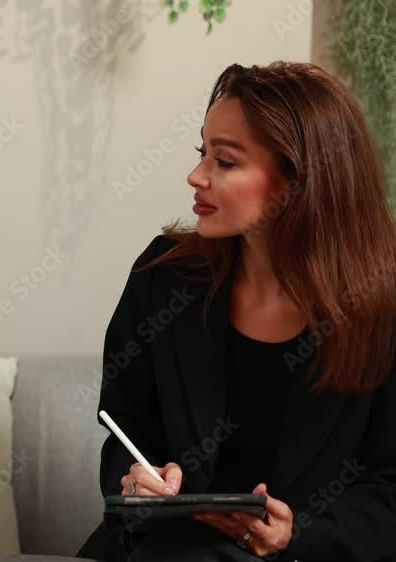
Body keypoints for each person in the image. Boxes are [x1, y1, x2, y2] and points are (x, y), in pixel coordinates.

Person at [84, 62, 396, 562]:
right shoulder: (163, 278)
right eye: (201, 153)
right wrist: (138, 482)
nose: (195, 175)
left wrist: (301, 535)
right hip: (163, 549)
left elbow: (388, 484)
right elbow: (125, 427)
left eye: (224, 162)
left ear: (297, 179)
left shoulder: (383, 303)